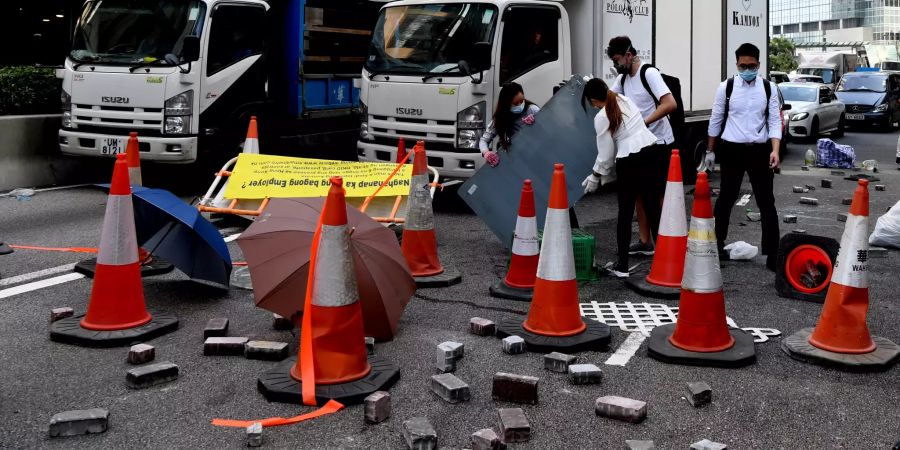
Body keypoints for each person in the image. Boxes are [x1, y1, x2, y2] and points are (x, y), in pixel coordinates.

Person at [707, 42, 781, 271]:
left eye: (752, 65)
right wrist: (710, 151)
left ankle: (772, 253)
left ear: (759, 64)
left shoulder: (768, 88)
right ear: (736, 64)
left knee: (766, 201)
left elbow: (775, 121)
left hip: (759, 151)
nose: (747, 69)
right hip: (732, 150)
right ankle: (717, 246)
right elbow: (716, 119)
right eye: (743, 65)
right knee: (726, 199)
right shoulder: (726, 88)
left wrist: (775, 150)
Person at [580, 78, 659, 278]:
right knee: (653, 208)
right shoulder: (623, 99)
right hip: (650, 151)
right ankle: (664, 260)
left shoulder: (601, 116)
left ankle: (622, 266)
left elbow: (605, 155)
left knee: (625, 213)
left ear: (592, 100)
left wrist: (595, 175)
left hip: (629, 160)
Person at [607, 36, 677, 256]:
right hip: (641, 144)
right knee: (639, 193)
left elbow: (670, 104)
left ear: (629, 55)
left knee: (657, 195)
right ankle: (645, 241)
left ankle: (667, 242)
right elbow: (608, 98)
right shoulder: (624, 79)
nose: (616, 65)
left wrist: (642, 123)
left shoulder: (649, 73)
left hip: (659, 143)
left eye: (617, 60)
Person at [479, 82, 539, 167]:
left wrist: (536, 123)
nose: (520, 105)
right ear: (506, 104)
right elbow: (483, 141)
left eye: (522, 101)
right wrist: (486, 153)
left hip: (537, 154)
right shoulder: (500, 119)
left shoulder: (532, 110)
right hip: (517, 160)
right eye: (515, 103)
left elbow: (548, 129)